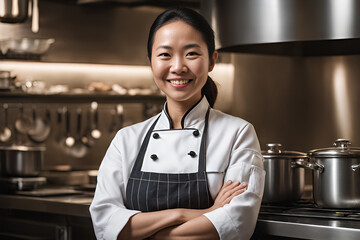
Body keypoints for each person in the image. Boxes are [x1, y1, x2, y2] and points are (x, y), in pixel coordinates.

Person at [90, 7, 265, 240]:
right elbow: (105, 223)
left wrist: (144, 234)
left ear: (212, 60)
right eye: (165, 55)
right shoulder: (127, 139)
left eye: (191, 53)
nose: (178, 67)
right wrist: (193, 214)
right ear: (151, 62)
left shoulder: (238, 133)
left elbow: (236, 224)